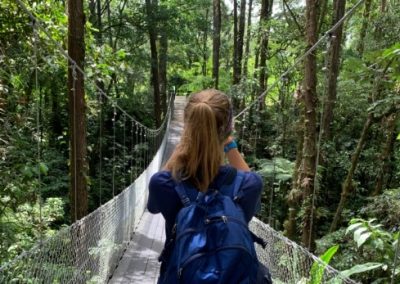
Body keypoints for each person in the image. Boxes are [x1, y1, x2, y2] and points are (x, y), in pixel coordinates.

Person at [147, 89, 271, 283]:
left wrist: (184, 145)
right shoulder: (249, 185)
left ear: (186, 128)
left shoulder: (163, 184)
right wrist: (230, 146)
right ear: (230, 128)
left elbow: (153, 207)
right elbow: (251, 193)